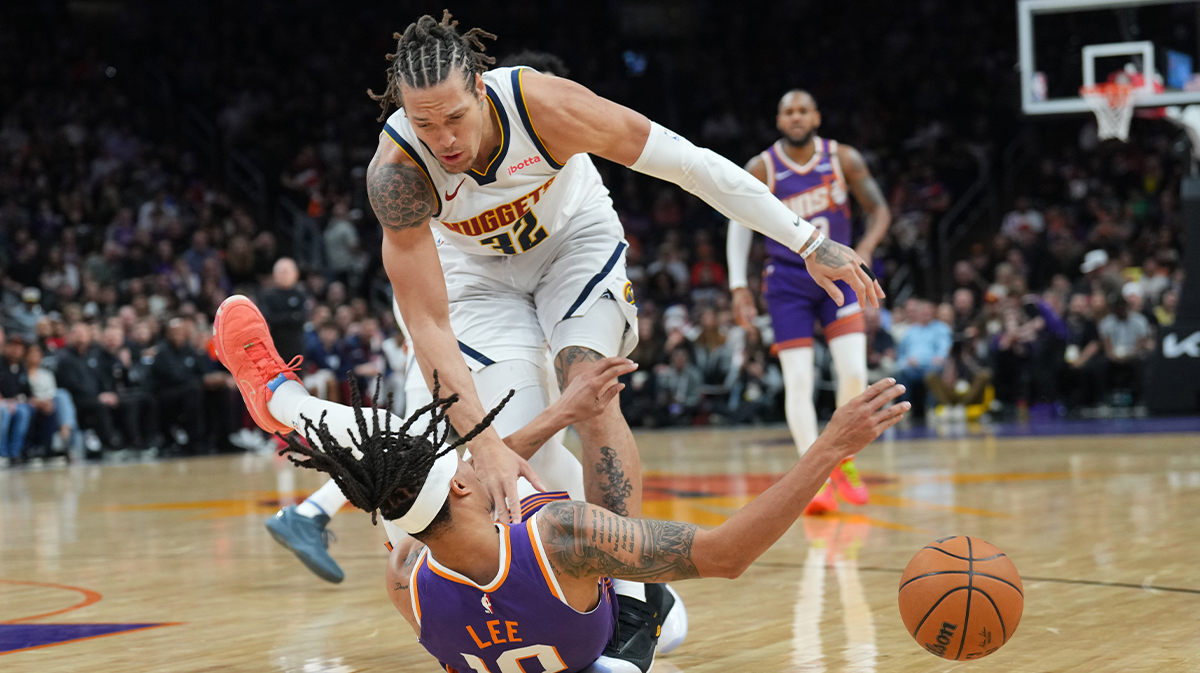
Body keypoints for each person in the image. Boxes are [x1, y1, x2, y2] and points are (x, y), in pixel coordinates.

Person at [250, 18, 876, 649]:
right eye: (423, 123)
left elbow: (689, 165)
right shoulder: (397, 175)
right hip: (474, 277)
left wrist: (807, 240)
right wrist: (486, 440)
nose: (443, 139)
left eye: (455, 118)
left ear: (480, 86)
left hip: (572, 244)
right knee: (507, 457)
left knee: (589, 381)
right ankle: (628, 580)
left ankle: (633, 610)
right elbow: (428, 325)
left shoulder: (545, 106)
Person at [279, 358, 907, 673]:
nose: (481, 460)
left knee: (576, 419)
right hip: (609, 648)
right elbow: (725, 555)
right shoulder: (560, 539)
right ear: (464, 489)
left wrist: (558, 414)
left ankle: (278, 393)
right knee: (605, 431)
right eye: (469, 464)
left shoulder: (403, 575)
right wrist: (829, 449)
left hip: (516, 634)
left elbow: (443, 490)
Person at [726, 89, 891, 514]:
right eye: (788, 112)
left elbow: (880, 211)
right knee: (798, 380)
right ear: (780, 121)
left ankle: (844, 461)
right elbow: (739, 224)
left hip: (838, 271)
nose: (796, 117)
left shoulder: (843, 159)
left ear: (816, 116)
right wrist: (737, 286)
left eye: (803, 110)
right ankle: (814, 477)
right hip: (787, 281)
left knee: (854, 371)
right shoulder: (763, 166)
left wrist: (868, 247)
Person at [894, 300, 953, 418]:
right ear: (918, 314)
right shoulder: (910, 332)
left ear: (933, 314)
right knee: (901, 373)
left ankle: (932, 408)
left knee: (933, 375)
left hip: (932, 365)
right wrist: (907, 361)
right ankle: (905, 409)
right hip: (913, 367)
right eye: (923, 313)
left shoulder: (941, 329)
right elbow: (901, 355)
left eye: (929, 313)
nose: (926, 316)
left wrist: (940, 357)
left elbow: (945, 349)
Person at [258, 258, 308, 364]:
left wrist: (281, 317)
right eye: (282, 272)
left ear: (296, 274)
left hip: (297, 348)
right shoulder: (268, 296)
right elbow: (268, 319)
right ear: (274, 274)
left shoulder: (301, 294)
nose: (285, 275)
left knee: (297, 379)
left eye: (288, 272)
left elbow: (303, 318)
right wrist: (292, 316)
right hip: (275, 347)